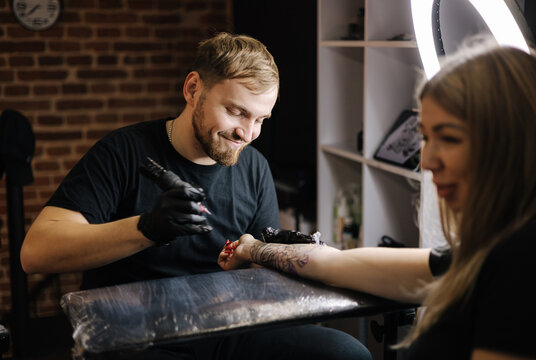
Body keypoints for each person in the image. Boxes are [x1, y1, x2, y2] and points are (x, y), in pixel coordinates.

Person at [21, 32, 371, 360]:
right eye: (236, 111)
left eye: (260, 119)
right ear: (192, 89)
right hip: (137, 331)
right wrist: (146, 229)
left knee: (345, 352)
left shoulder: (254, 167)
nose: (247, 133)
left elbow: (258, 271)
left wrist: (276, 254)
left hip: (228, 326)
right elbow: (36, 253)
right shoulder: (122, 151)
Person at [219, 39, 536, 360]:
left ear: (514, 141)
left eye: (450, 138)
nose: (426, 161)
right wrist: (254, 249)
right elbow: (336, 263)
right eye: (426, 137)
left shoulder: (521, 261)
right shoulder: (478, 255)